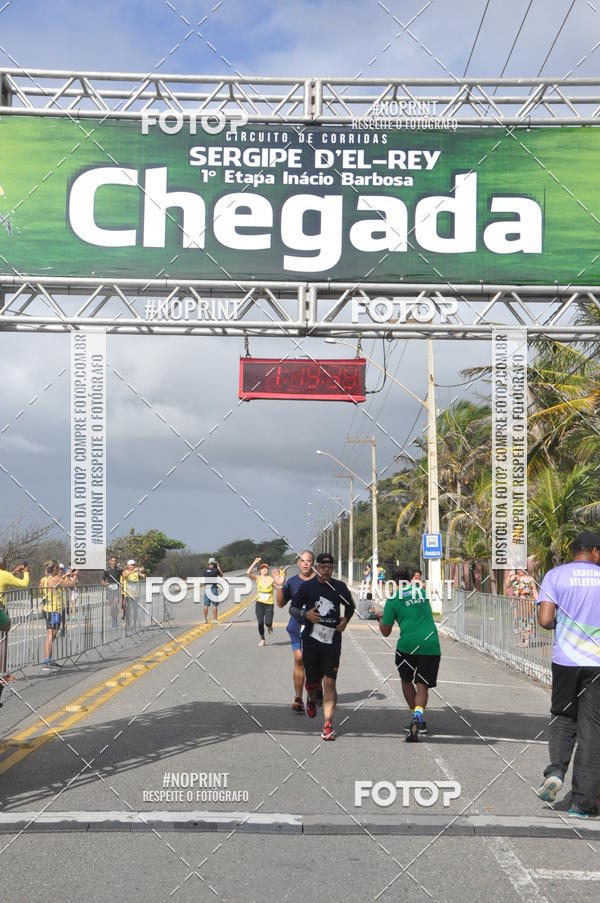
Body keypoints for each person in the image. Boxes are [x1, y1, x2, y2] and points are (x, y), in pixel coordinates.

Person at [535, 531, 600, 818]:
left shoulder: (555, 575)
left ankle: (556, 771)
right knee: (591, 730)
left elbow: (545, 619)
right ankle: (581, 804)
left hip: (565, 662)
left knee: (563, 717)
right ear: (595, 552)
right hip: (597, 665)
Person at [290, 552, 355, 741]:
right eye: (323, 567)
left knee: (330, 682)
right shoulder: (307, 587)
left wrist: (346, 620)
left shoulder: (339, 587)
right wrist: (306, 615)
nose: (326, 571)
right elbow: (292, 608)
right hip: (311, 641)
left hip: (332, 641)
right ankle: (310, 698)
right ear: (316, 568)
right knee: (312, 683)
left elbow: (350, 606)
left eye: (330, 568)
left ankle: (327, 725)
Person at [373, 566, 441, 742]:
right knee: (422, 685)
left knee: (406, 680)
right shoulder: (421, 592)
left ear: (392, 582)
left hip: (407, 646)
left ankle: (415, 717)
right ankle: (419, 717)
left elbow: (386, 631)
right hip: (430, 644)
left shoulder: (393, 599)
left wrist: (381, 617)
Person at [276, 549, 320, 712]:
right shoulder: (292, 582)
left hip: (317, 628)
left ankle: (314, 692)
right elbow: (280, 603)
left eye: (308, 561)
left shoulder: (322, 581)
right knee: (299, 659)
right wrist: (280, 585)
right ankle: (298, 698)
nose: (305, 563)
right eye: (302, 561)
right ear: (298, 563)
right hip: (296, 626)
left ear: (313, 563)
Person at [0, 557, 30, 700]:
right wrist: (26, 572)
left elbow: (4, 579)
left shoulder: (5, 574)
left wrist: (14, 572)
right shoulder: (4, 574)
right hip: (1, 612)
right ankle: (2, 674)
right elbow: (24, 584)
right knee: (3, 644)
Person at [40, 560, 78, 670]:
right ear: (55, 569)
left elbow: (41, 590)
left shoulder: (44, 580)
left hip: (48, 609)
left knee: (51, 635)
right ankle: (47, 662)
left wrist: (64, 576)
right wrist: (75, 574)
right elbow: (72, 584)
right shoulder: (55, 579)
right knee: (51, 636)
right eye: (58, 568)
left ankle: (50, 659)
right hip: (54, 610)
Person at [247, 557, 277, 646]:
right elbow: (248, 573)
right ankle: (262, 639)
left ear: (268, 570)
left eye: (266, 568)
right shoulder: (258, 578)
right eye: (262, 568)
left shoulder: (271, 579)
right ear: (260, 570)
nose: (264, 570)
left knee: (268, 622)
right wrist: (255, 562)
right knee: (260, 622)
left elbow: (278, 587)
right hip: (259, 603)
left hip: (269, 604)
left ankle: (269, 625)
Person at [509, 567, 538, 647]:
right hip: (518, 603)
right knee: (519, 622)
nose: (518, 570)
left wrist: (538, 601)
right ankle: (523, 641)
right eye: (517, 569)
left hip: (528, 603)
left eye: (520, 569)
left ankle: (526, 642)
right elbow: (507, 585)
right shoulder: (515, 579)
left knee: (528, 621)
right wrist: (510, 575)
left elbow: (534, 591)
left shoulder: (530, 579)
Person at [121, 559, 145, 633]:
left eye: (133, 565)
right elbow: (124, 575)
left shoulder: (136, 572)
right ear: (128, 566)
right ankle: (128, 627)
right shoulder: (126, 571)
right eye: (130, 565)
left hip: (135, 594)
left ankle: (134, 625)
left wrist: (139, 572)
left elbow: (144, 575)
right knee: (128, 611)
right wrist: (132, 572)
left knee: (135, 611)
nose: (131, 566)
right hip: (127, 594)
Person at [102, 556, 123, 629]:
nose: (114, 562)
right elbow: (102, 580)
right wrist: (105, 584)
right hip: (110, 589)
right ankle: (113, 619)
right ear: (110, 561)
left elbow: (123, 577)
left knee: (115, 605)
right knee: (112, 607)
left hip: (117, 589)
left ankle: (115, 621)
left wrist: (122, 583)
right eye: (112, 561)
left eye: (115, 561)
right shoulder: (106, 570)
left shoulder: (119, 570)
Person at [203, 557, 223, 623]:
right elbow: (221, 575)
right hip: (213, 588)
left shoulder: (205, 570)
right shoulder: (216, 570)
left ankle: (205, 619)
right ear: (213, 563)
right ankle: (215, 620)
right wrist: (218, 567)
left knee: (206, 605)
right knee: (214, 605)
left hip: (207, 588)